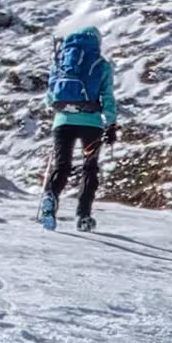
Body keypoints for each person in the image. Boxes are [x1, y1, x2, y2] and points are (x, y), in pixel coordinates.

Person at [43, 22, 118, 228]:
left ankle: (50, 197)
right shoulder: (101, 64)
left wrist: (63, 111)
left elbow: (49, 98)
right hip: (91, 123)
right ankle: (83, 216)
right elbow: (107, 97)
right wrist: (111, 124)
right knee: (89, 168)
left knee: (62, 166)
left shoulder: (61, 62)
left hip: (62, 121)